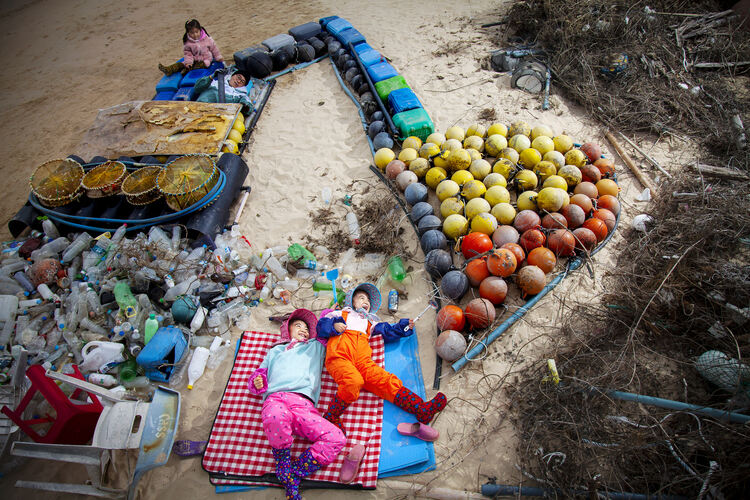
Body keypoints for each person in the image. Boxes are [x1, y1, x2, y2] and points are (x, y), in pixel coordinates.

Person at [317, 283, 447, 434]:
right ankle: (331, 416)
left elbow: (387, 331)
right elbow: (321, 327)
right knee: (353, 382)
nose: (365, 301)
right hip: (340, 357)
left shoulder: (370, 322)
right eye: (361, 298)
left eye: (368, 300)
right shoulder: (341, 314)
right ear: (352, 302)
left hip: (362, 362)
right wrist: (334, 325)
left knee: (386, 381)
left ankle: (421, 409)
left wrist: (403, 327)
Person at [248, 309, 345, 500]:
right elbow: (257, 375)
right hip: (276, 398)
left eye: (307, 328)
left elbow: (325, 328)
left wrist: (330, 313)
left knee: (336, 438)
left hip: (303, 405)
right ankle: (282, 461)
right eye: (298, 326)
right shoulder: (275, 351)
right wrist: (258, 380)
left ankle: (292, 472)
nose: (304, 330)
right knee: (274, 417)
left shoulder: (316, 346)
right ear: (287, 330)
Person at [158, 19, 224, 76]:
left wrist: (218, 57)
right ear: (188, 33)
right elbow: (187, 54)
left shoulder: (207, 39)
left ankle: (187, 70)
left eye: (196, 32)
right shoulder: (188, 42)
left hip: (205, 59)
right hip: (194, 59)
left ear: (200, 30)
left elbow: (214, 48)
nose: (195, 34)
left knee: (200, 65)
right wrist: (188, 63)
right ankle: (169, 70)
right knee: (182, 64)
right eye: (192, 33)